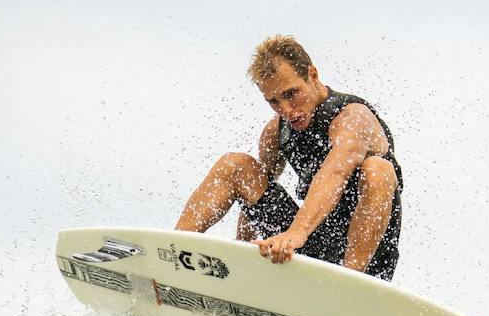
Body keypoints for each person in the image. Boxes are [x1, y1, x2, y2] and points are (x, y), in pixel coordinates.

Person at [173, 36, 403, 280]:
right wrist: (243, 251)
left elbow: (335, 174)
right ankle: (172, 254)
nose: (286, 110)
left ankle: (348, 282)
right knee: (236, 165)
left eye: (291, 93)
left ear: (312, 75)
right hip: (314, 245)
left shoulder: (353, 118)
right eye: (274, 101)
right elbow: (255, 200)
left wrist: (296, 232)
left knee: (378, 170)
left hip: (368, 259)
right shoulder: (277, 131)